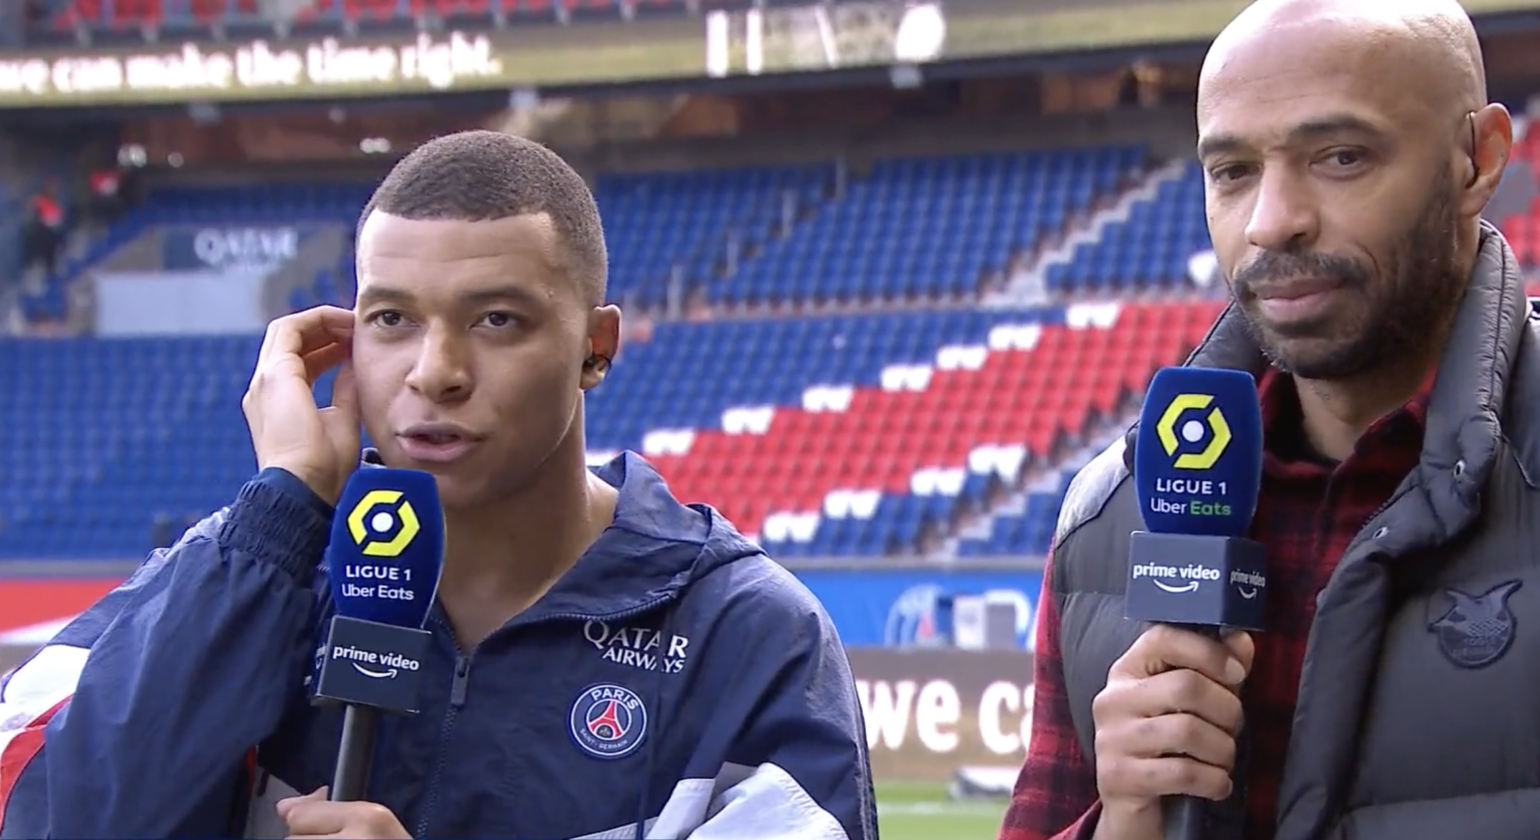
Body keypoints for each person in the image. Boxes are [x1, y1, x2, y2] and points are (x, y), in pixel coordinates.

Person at [0, 131, 878, 840]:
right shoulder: (239, 578)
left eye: (497, 319)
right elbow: (48, 815)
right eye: (391, 319)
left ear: (595, 347)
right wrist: (283, 508)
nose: (436, 371)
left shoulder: (748, 638)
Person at [997, 1, 1539, 839]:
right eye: (1232, 171)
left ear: (1479, 159)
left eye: (1341, 156)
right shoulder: (1111, 515)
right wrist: (1126, 821)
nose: (1271, 220)